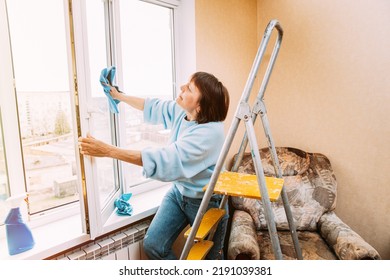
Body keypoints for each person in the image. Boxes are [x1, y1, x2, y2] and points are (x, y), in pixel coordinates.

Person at [78, 71, 230, 260]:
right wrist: (118, 96)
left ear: (199, 107)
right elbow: (153, 106)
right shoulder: (184, 112)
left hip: (205, 201)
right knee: (153, 245)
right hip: (179, 193)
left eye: (189, 88)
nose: (182, 87)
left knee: (211, 261)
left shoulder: (210, 134)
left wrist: (108, 151)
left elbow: (166, 159)